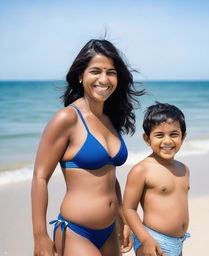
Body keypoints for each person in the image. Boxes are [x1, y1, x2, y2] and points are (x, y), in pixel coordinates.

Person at [31, 39, 144, 256]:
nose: (104, 79)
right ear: (81, 75)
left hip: (111, 231)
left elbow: (108, 175)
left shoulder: (110, 119)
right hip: (76, 232)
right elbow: (40, 177)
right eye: (96, 71)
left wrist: (124, 218)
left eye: (111, 72)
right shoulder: (67, 119)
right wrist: (40, 235)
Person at [123, 102, 190, 256]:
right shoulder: (142, 170)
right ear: (147, 139)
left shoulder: (184, 169)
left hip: (178, 242)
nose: (167, 141)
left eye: (174, 134)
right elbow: (128, 209)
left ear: (183, 136)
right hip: (153, 239)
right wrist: (146, 239)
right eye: (159, 135)